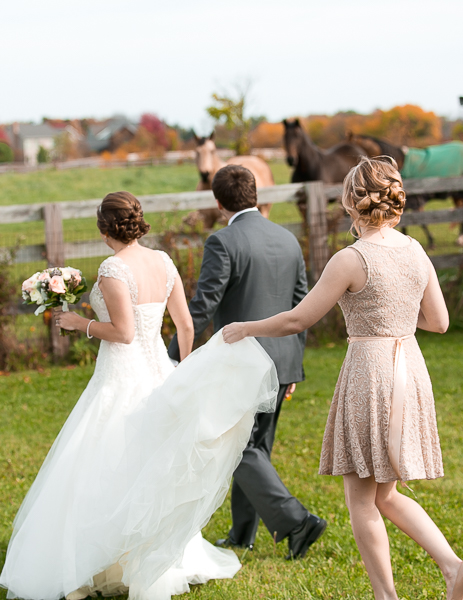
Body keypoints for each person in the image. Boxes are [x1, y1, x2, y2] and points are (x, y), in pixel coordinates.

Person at [222, 156, 463, 600]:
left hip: (372, 372)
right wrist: (397, 318)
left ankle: (388, 598)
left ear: (351, 202)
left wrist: (247, 327)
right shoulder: (415, 250)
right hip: (411, 369)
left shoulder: (351, 259)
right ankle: (454, 566)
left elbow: (297, 319)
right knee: (385, 494)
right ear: (395, 200)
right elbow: (439, 321)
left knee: (363, 499)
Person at [0, 191, 280, 600]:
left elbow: (124, 334)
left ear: (103, 228)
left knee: (103, 462)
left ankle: (93, 561)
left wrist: (80, 323)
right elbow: (185, 324)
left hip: (122, 377)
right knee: (150, 469)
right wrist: (186, 372)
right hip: (161, 377)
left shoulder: (113, 268)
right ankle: (137, 556)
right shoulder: (162, 261)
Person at [169, 164, 326, 559]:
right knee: (257, 447)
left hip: (244, 364)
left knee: (236, 447)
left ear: (218, 202)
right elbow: (301, 305)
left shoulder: (223, 241)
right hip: (284, 359)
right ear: (257, 195)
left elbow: (203, 305)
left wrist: (171, 353)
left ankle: (297, 521)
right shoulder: (288, 238)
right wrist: (293, 363)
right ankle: (242, 533)